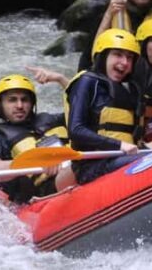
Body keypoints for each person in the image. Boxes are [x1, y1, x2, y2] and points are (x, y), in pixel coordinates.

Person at [60, 29, 146, 187]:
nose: (125, 62)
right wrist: (119, 145)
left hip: (121, 159)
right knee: (146, 161)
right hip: (92, 166)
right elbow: (76, 130)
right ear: (103, 56)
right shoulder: (87, 82)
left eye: (129, 57)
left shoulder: (131, 90)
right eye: (118, 54)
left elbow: (134, 136)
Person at [0, 74, 75, 204]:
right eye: (12, 100)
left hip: (72, 169)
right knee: (80, 168)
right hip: (44, 190)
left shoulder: (55, 120)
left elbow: (87, 108)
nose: (19, 105)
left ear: (32, 103)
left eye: (25, 100)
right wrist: (35, 161)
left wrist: (61, 79)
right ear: (0, 105)